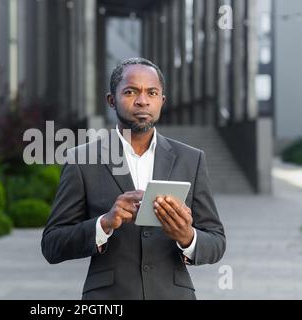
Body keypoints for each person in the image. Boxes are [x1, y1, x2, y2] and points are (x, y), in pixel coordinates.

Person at [41, 57, 226, 300]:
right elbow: (52, 245)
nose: (142, 100)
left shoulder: (191, 159)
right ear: (111, 100)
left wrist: (187, 237)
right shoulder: (81, 160)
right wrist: (104, 224)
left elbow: (216, 241)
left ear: (162, 100)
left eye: (152, 92)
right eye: (130, 92)